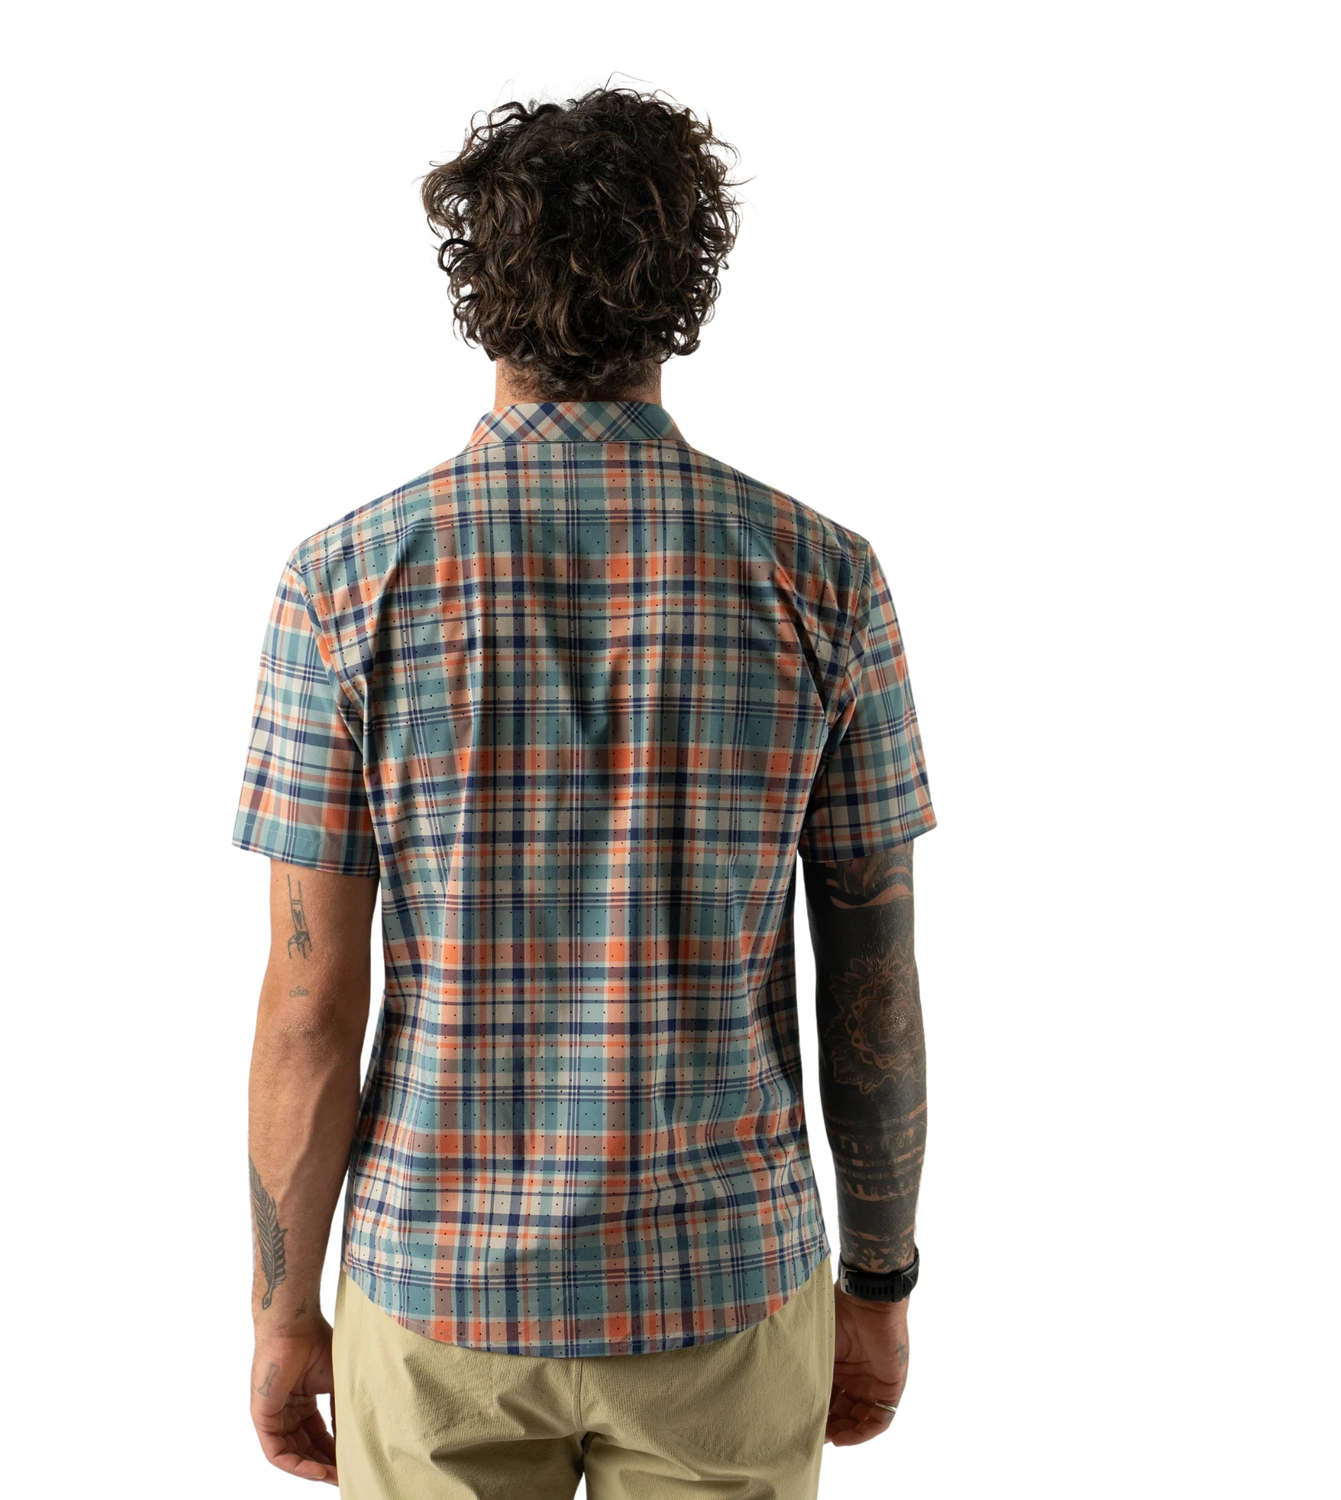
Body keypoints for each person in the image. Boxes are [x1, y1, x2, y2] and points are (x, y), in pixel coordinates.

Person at [231, 68, 940, 1497]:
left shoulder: (339, 580)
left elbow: (310, 1006)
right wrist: (882, 1280)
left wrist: (280, 1312)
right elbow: (874, 982)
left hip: (434, 1298)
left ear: (474, 283)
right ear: (692, 285)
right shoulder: (826, 574)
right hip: (729, 1289)